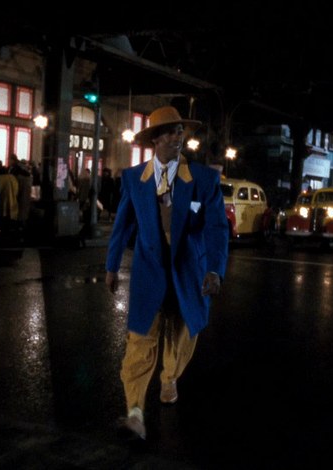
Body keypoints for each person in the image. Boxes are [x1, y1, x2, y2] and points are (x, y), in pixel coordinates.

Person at [104, 105, 229, 441]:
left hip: (189, 273)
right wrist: (111, 266)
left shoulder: (203, 179)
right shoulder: (134, 178)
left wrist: (215, 269)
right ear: (156, 139)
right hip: (149, 273)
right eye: (172, 131)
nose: (179, 137)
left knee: (182, 333)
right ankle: (134, 413)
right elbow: (122, 225)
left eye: (180, 131)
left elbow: (217, 227)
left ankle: (170, 377)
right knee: (140, 341)